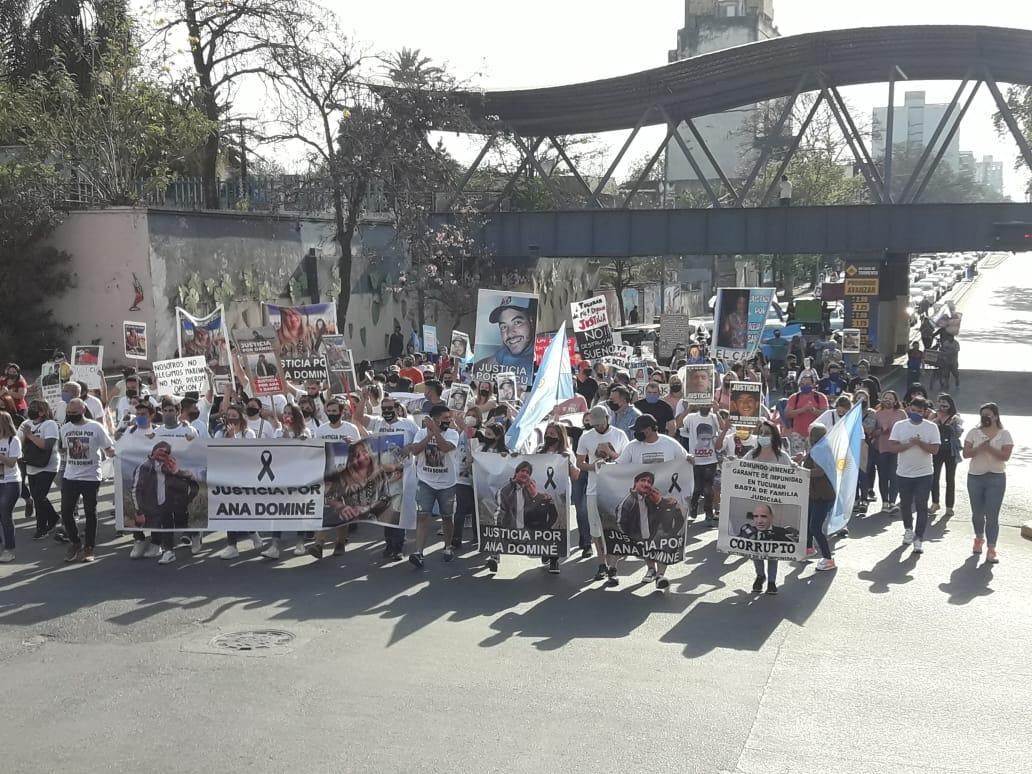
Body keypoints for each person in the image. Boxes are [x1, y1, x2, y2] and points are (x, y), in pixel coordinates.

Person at [613, 414, 690, 590]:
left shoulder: (669, 443)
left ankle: (661, 574)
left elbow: (685, 458)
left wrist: (690, 459)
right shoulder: (632, 447)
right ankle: (650, 569)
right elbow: (619, 465)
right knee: (647, 536)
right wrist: (606, 466)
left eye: (639, 430)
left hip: (665, 498)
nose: (636, 433)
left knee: (664, 534)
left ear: (649, 429)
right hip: (643, 502)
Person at [576, 405, 628, 586]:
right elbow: (580, 462)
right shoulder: (586, 436)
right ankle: (601, 562)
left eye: (600, 423)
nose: (598, 427)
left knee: (613, 527)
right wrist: (594, 467)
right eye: (595, 424)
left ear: (608, 418)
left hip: (614, 488)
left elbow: (626, 460)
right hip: (594, 488)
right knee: (596, 528)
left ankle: (613, 565)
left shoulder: (619, 435)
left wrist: (611, 455)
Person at [58, 398, 115, 562]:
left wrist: (120, 455)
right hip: (70, 475)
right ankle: (75, 542)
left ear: (83, 410)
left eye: (74, 413)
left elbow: (108, 448)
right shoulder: (65, 428)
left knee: (90, 512)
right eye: (68, 413)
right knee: (67, 511)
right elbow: (63, 448)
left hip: (91, 476)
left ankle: (89, 547)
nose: (71, 415)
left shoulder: (95, 427)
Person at [407, 404, 459, 568]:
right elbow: (414, 450)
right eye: (445, 418)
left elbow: (445, 447)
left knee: (446, 517)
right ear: (435, 419)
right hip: (425, 481)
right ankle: (419, 552)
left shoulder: (453, 433)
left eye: (449, 418)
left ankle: (448, 547)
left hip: (447, 483)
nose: (448, 420)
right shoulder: (421, 433)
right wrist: (429, 435)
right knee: (422, 516)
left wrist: (435, 431)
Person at [746, 420, 794, 594]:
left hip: (775, 508)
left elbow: (793, 476)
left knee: (772, 545)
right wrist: (731, 463)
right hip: (757, 507)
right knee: (756, 545)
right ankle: (760, 576)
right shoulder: (752, 454)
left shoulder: (782, 457)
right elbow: (738, 470)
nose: (763, 436)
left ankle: (772, 581)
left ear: (774, 436)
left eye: (767, 433)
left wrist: (795, 468)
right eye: (761, 433)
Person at [887, 396, 940, 555]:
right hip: (904, 473)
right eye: (913, 410)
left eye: (919, 411)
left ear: (925, 412)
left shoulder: (931, 427)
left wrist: (920, 443)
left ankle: (919, 538)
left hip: (924, 473)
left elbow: (935, 450)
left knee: (921, 505)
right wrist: (909, 444)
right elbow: (893, 447)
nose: (915, 413)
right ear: (909, 409)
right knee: (905, 504)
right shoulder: (900, 426)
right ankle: (908, 529)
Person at [963, 403, 1012, 565]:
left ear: (996, 416)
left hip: (996, 478)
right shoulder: (974, 432)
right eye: (982, 414)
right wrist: (980, 448)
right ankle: (979, 538)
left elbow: (1005, 456)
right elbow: (966, 453)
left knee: (992, 515)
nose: (985, 417)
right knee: (977, 513)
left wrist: (989, 448)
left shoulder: (1004, 434)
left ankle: (991, 548)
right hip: (976, 477)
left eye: (988, 415)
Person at [538, 422, 580, 573]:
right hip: (542, 493)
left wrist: (568, 462)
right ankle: (544, 549)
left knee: (558, 524)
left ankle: (555, 559)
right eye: (547, 433)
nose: (549, 436)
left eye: (553, 434)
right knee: (543, 522)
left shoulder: (567, 453)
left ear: (560, 436)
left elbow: (575, 476)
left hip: (560, 494)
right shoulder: (539, 451)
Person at [17, 399, 61, 540]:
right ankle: (53, 517)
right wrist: (26, 436)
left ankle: (41, 528)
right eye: (31, 407)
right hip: (31, 464)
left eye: (36, 408)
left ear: (43, 412)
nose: (32, 409)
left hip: (48, 465)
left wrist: (30, 435)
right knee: (37, 496)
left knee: (38, 496)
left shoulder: (50, 424)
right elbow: (19, 444)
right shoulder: (26, 424)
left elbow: (46, 446)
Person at [473, 297, 537, 385]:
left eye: (517, 322)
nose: (510, 334)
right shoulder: (505, 353)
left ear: (531, 321)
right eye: (503, 327)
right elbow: (479, 367)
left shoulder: (540, 357)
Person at [800, 423, 837, 571]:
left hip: (823, 495)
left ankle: (828, 559)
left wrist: (802, 471)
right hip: (815, 493)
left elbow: (819, 471)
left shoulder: (819, 450)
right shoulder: (822, 448)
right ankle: (809, 548)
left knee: (815, 527)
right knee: (808, 521)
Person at [872, 390, 906, 513]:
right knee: (883, 476)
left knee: (894, 475)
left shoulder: (901, 413)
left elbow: (907, 429)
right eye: (885, 398)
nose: (887, 400)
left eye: (890, 398)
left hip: (896, 448)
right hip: (881, 448)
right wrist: (881, 430)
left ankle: (892, 502)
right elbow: (872, 433)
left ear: (895, 401)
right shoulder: (877, 413)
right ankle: (885, 502)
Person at [930, 394, 963, 520]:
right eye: (940, 403)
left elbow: (959, 433)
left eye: (945, 404)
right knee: (935, 477)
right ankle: (935, 502)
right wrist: (937, 419)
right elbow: (928, 427)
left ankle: (949, 506)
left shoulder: (955, 416)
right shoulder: (935, 415)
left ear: (950, 405)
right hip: (937, 450)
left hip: (950, 450)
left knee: (950, 479)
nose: (942, 406)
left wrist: (953, 424)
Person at [0, 411, 22, 563]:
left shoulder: (13, 441)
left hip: (11, 481)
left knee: (5, 514)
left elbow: (11, 463)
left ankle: (10, 549)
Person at [784, 373, 828, 440]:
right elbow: (787, 414)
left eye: (807, 384)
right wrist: (803, 409)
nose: (805, 386)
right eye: (802, 384)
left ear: (813, 384)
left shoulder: (820, 397)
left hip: (816, 436)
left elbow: (826, 415)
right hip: (798, 435)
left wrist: (814, 410)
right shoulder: (794, 397)